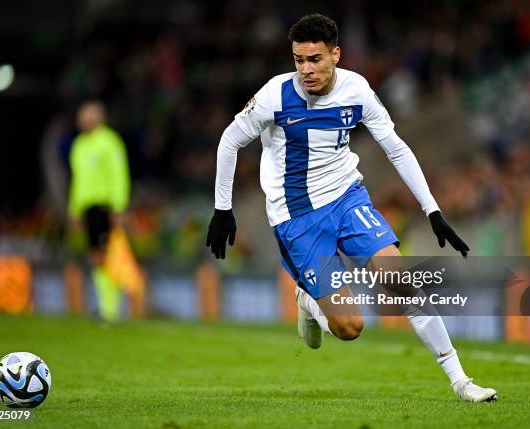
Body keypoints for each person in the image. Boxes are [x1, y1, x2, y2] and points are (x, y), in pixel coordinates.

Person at [206, 14, 497, 402]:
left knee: (400, 280)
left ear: (336, 55)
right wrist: (223, 209)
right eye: (298, 60)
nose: (306, 70)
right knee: (349, 327)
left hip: (346, 199)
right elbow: (229, 142)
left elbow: (395, 147)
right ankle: (308, 300)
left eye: (315, 59)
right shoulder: (274, 96)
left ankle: (461, 382)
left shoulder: (357, 90)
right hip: (298, 220)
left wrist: (432, 210)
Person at [68, 101, 131, 323]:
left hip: (105, 206)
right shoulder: (79, 145)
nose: (84, 120)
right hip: (87, 207)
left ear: (99, 117)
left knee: (107, 255)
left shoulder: (109, 142)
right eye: (82, 116)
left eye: (88, 116)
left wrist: (119, 206)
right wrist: (74, 209)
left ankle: (110, 310)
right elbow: (77, 180)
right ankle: (105, 307)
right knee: (95, 257)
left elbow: (119, 174)